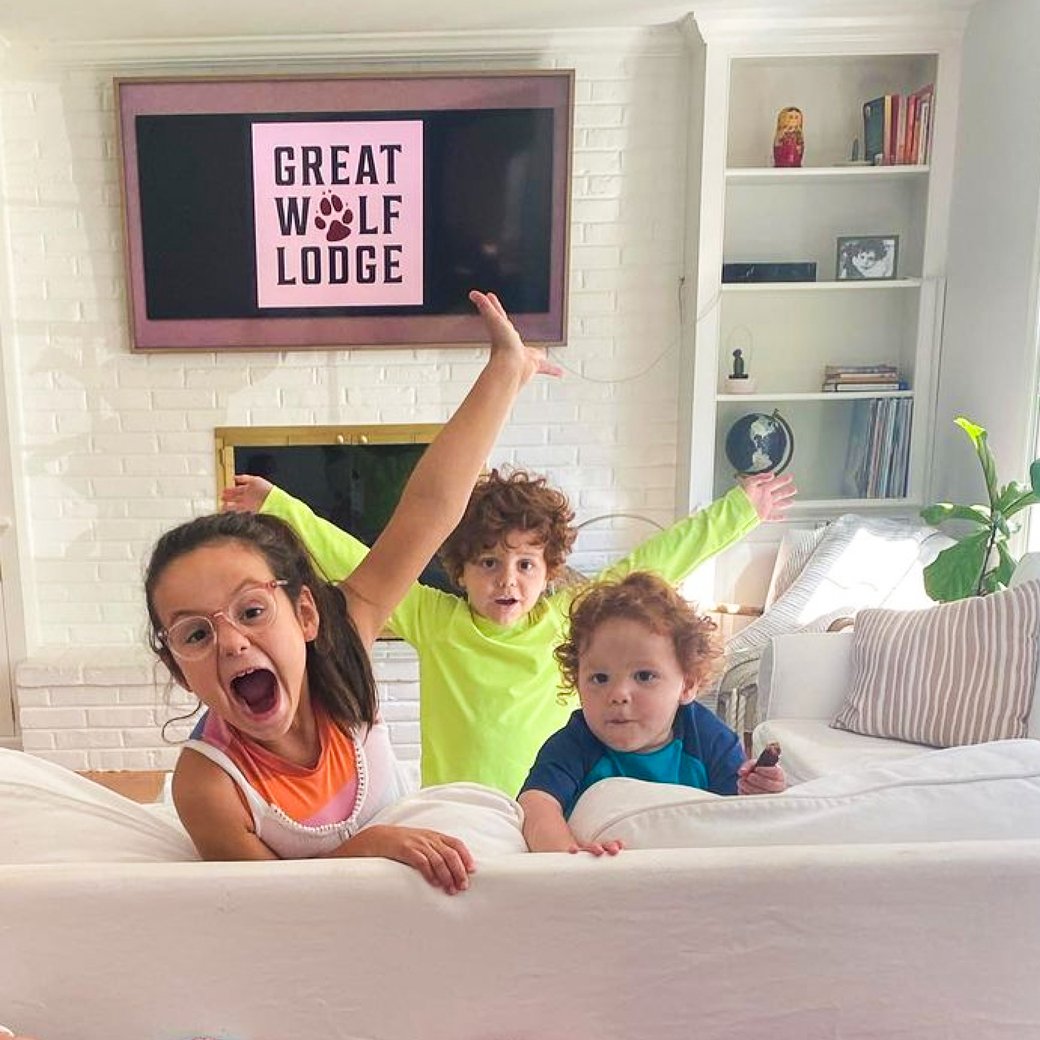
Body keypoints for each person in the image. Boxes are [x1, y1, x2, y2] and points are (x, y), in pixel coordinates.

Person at [145, 290, 557, 892]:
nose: (231, 642)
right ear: (180, 671)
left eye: (252, 610)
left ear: (306, 612)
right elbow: (272, 909)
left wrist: (504, 370)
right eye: (196, 633)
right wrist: (365, 850)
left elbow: (429, 510)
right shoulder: (208, 785)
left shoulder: (342, 648)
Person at [223, 459, 796, 797]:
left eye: (526, 565)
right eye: (489, 563)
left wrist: (739, 511)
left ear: (549, 572)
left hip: (553, 799)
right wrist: (281, 507)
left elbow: (657, 560)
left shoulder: (570, 617)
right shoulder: (432, 618)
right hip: (459, 808)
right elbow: (357, 562)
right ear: (462, 571)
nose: (508, 581)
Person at [518, 572, 787, 854]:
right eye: (599, 678)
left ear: (688, 684)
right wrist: (567, 856)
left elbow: (740, 820)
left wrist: (762, 792)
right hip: (604, 877)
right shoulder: (574, 743)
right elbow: (536, 804)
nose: (618, 694)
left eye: (644, 676)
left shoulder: (710, 740)